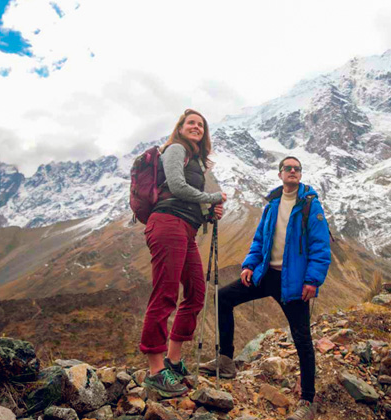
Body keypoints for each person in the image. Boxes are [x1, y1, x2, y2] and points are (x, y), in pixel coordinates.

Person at [200, 156, 331, 420]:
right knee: (223, 298)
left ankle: (307, 400)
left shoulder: (310, 205)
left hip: (293, 283)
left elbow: (321, 246)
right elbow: (260, 238)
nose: (292, 171)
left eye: (296, 168)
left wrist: (312, 281)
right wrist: (250, 264)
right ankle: (226, 361)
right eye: (287, 168)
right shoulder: (272, 204)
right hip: (266, 275)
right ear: (280, 174)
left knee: (302, 338)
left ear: (300, 174)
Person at [140, 109, 227, 397]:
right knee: (165, 294)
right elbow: (177, 187)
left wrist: (207, 213)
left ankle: (173, 361)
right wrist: (212, 197)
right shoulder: (175, 149)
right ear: (180, 127)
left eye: (201, 124)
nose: (196, 127)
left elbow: (184, 197)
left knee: (196, 293)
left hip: (185, 229)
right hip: (168, 224)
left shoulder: (196, 160)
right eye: (191, 123)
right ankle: (155, 372)